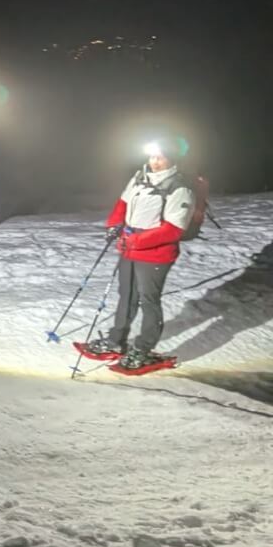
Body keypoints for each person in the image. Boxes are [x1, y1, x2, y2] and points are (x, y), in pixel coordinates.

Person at [82, 137, 197, 372]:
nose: (154, 161)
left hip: (155, 254)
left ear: (172, 159)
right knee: (126, 296)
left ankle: (143, 349)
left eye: (160, 157)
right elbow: (123, 203)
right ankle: (116, 341)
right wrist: (114, 225)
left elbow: (174, 229)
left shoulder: (180, 188)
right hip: (130, 247)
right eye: (152, 156)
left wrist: (135, 241)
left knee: (149, 301)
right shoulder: (140, 176)